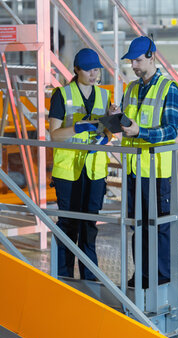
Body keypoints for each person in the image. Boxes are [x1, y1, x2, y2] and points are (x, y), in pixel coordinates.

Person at [111, 36, 178, 288]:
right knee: (137, 226)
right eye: (131, 61)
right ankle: (141, 275)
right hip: (133, 169)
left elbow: (171, 131)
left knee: (158, 226)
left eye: (138, 60)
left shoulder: (168, 88)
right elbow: (126, 122)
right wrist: (115, 117)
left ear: (152, 56)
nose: (134, 65)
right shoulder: (130, 89)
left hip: (156, 172)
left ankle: (161, 279)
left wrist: (140, 132)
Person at [48, 48, 113, 280]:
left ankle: (90, 278)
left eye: (96, 69)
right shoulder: (62, 95)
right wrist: (77, 127)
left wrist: (106, 136)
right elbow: (54, 135)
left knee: (89, 226)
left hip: (94, 171)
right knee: (69, 224)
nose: (94, 74)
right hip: (68, 172)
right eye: (88, 70)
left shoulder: (104, 96)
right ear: (76, 69)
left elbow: (108, 130)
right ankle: (63, 277)